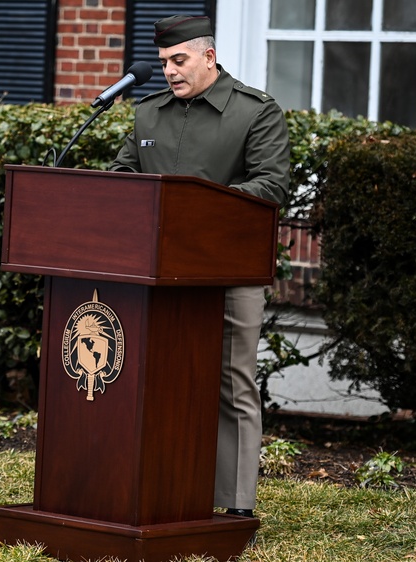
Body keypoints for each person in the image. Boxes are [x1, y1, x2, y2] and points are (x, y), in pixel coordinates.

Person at [109, 15, 290, 519]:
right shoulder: (149, 114)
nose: (168, 71)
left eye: (178, 60)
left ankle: (233, 508)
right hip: (155, 275)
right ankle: (163, 490)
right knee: (158, 380)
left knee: (232, 384)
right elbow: (125, 178)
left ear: (208, 56)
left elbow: (270, 186)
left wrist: (191, 208)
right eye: (164, 62)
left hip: (228, 273)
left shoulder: (255, 111)